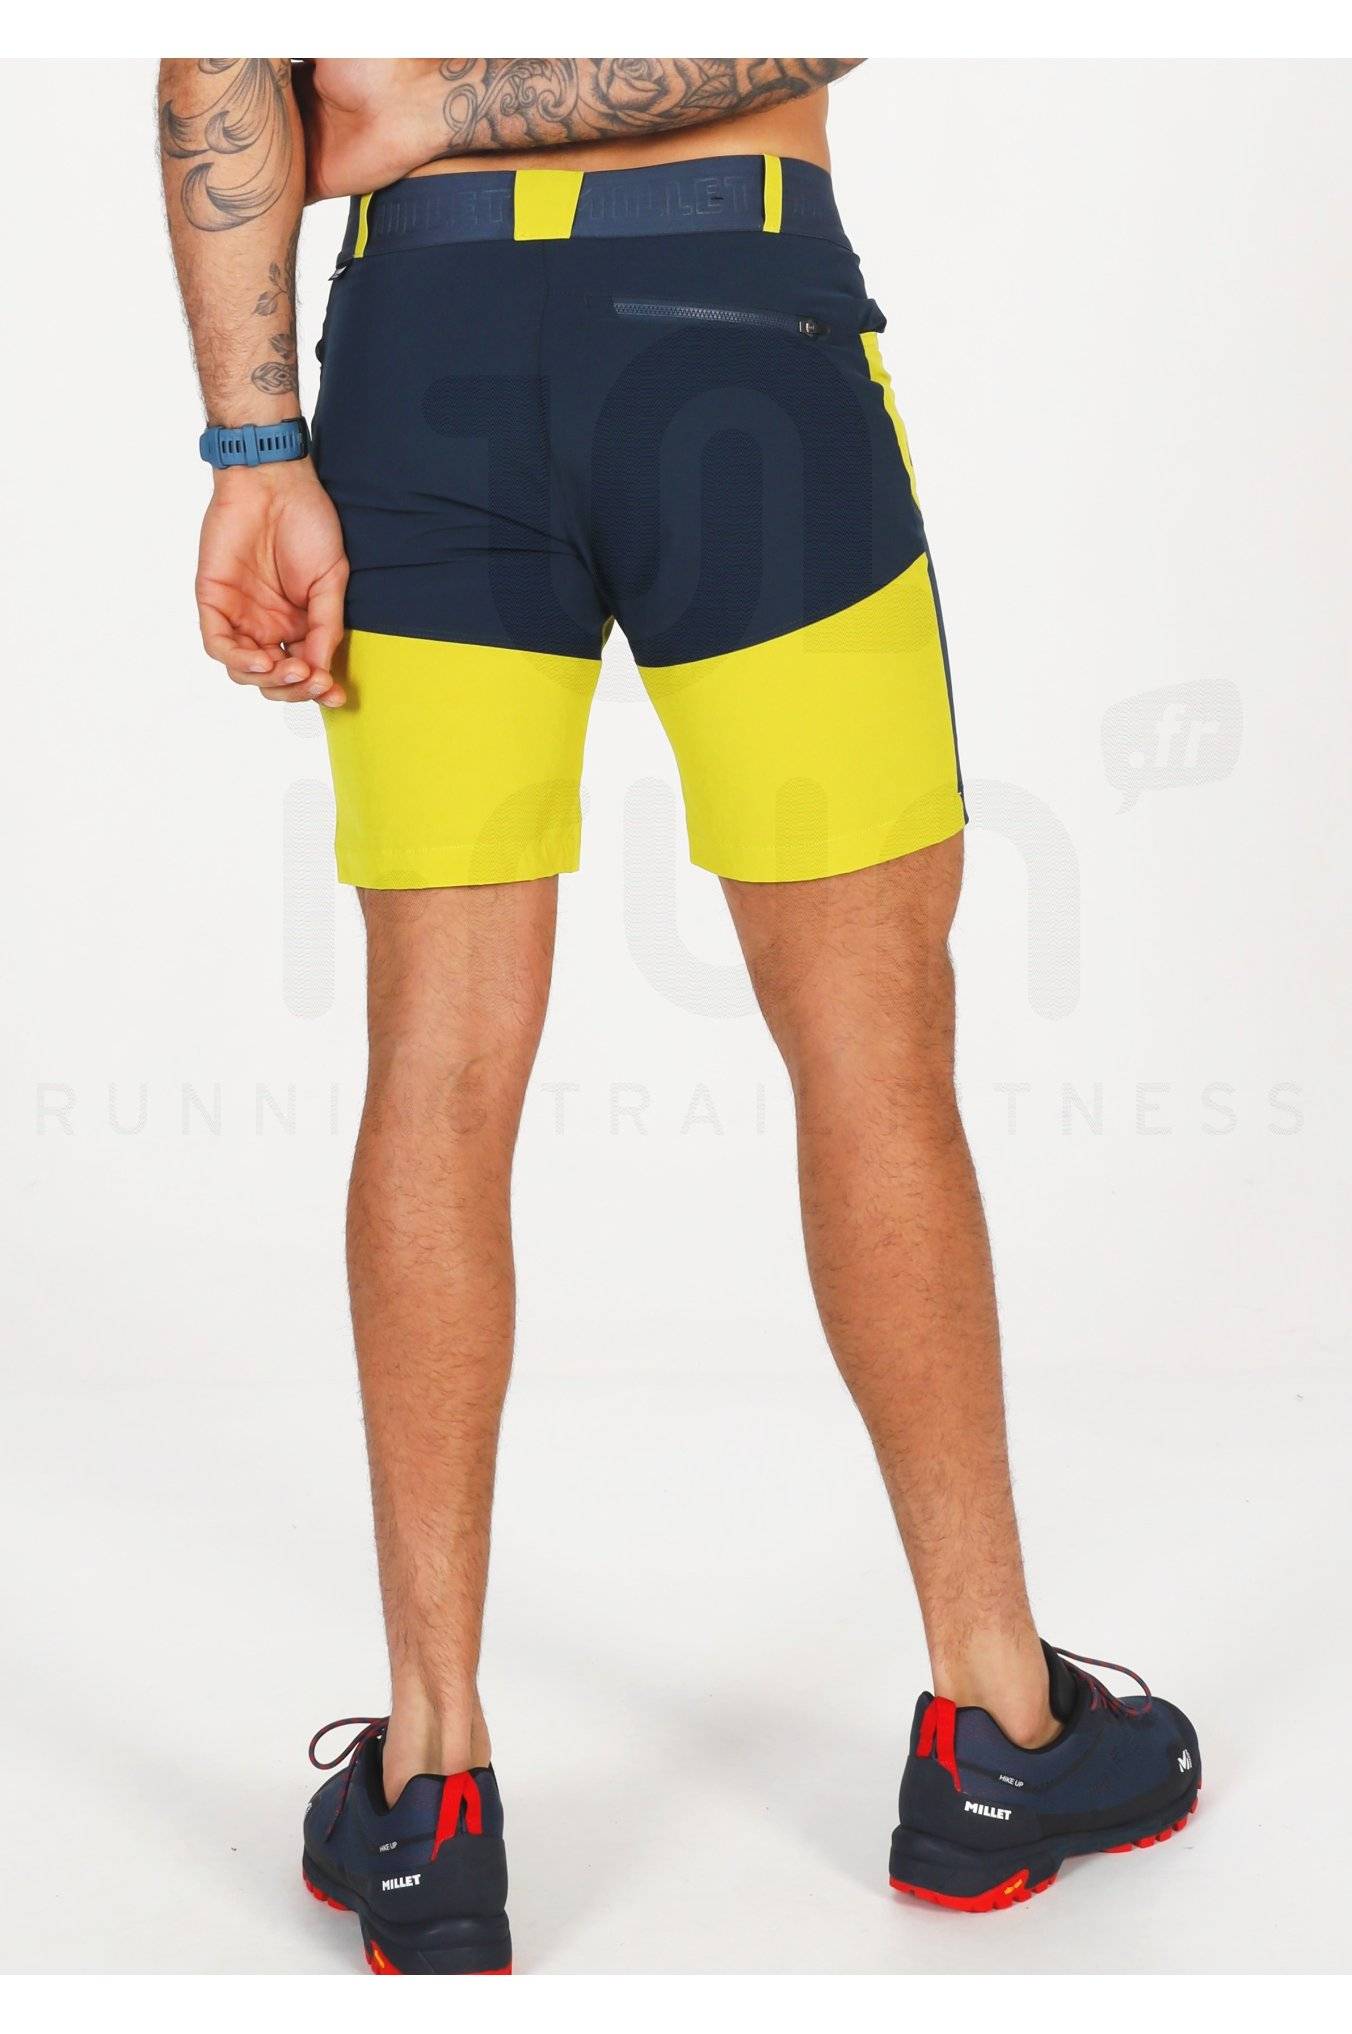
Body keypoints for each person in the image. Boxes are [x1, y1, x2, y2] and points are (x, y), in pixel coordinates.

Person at [159, 58, 1200, 1975]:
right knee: (872, 1050)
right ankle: (1000, 1729)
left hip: (427, 343)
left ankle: (431, 1785)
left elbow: (217, 62)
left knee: (436, 1063)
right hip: (733, 317)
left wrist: (256, 442)